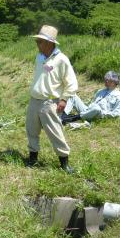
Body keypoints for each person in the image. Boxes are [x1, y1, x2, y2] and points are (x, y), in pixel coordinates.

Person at [26, 25, 78, 173]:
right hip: (34, 100)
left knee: (55, 132)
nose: (37, 44)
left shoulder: (61, 60)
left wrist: (64, 99)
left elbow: (72, 82)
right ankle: (32, 159)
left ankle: (64, 163)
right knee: (31, 130)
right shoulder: (39, 57)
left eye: (40, 41)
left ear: (49, 43)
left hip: (50, 103)